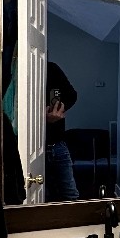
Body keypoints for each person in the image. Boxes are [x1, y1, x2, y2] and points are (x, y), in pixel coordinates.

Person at [46, 62, 80, 202]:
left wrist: (57, 110)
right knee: (40, 195)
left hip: (57, 143)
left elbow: (71, 95)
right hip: (28, 145)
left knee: (70, 194)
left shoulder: (51, 69)